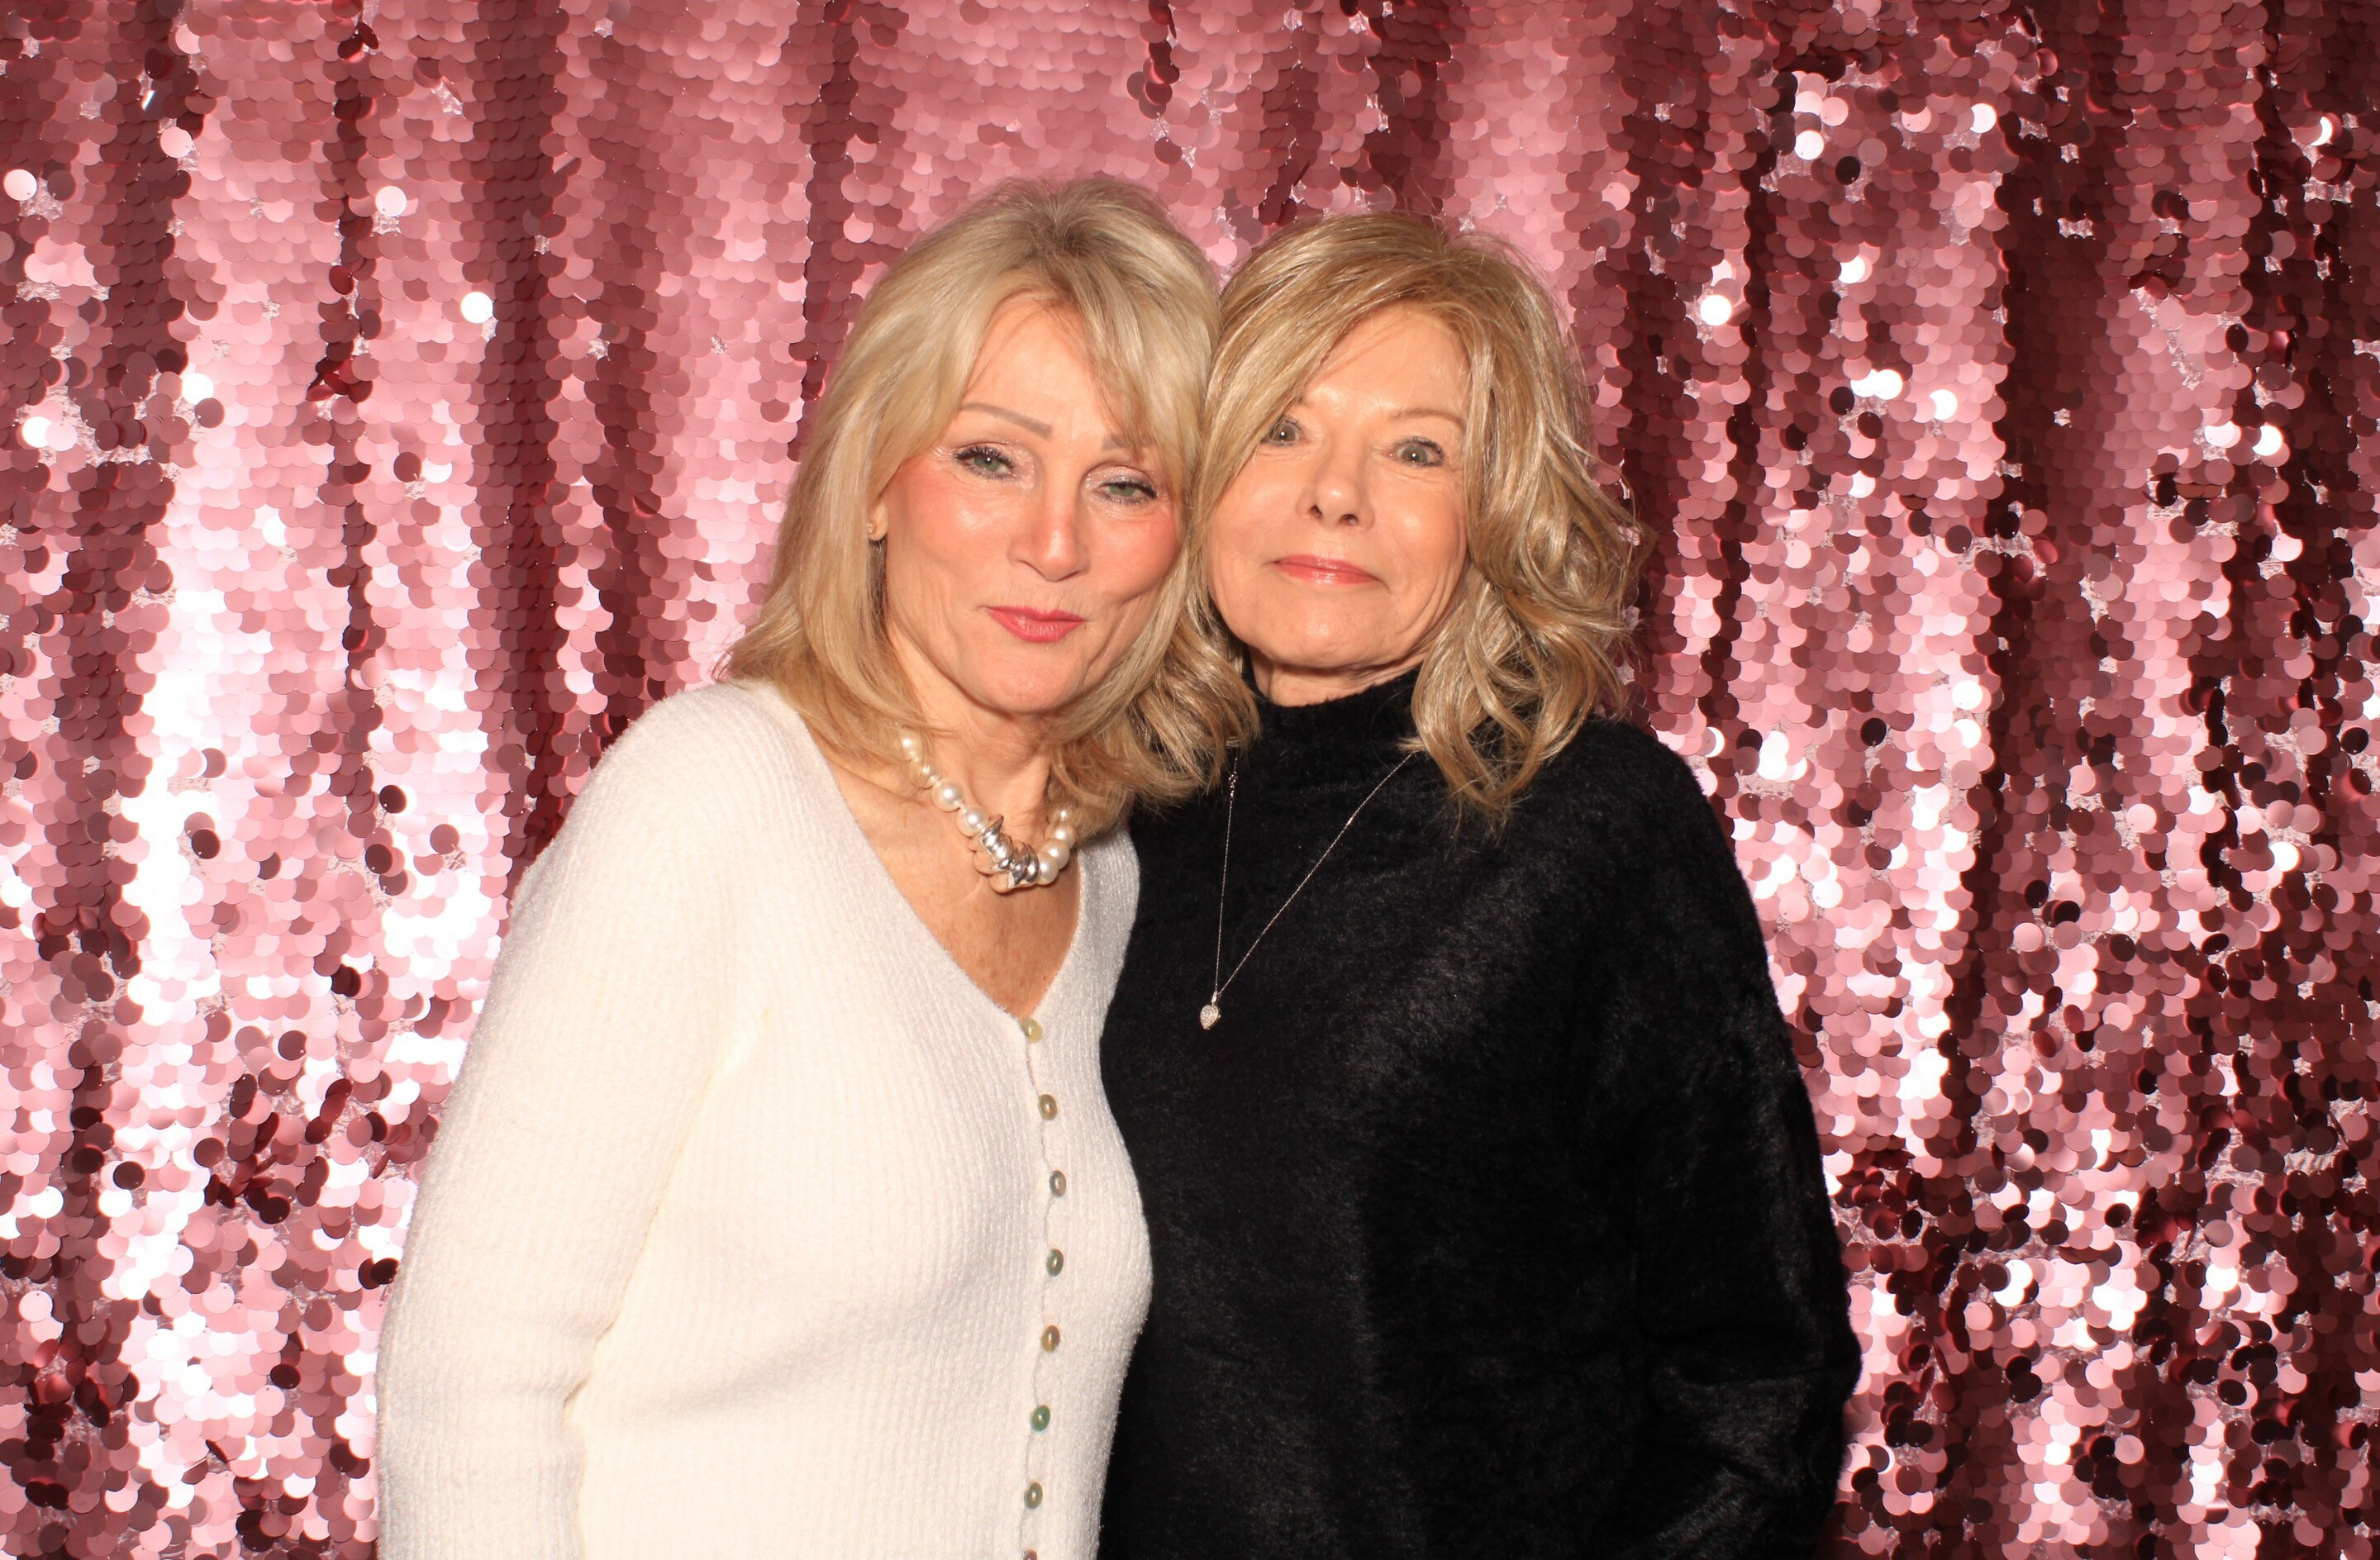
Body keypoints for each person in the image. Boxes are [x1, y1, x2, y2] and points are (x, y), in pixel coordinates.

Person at [375, 179, 1243, 1560]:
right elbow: (469, 1388)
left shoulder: (1125, 884)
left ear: (1187, 539)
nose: (1056, 543)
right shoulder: (711, 799)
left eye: (1126, 483)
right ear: (878, 483)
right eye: (992, 459)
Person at [1097, 213, 1859, 1559]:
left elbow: (1758, 1374)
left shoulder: (1593, 830)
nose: (1336, 494)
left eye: (1417, 450)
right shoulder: (1098, 807)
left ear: (1495, 510)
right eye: (1282, 428)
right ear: (1196, 473)